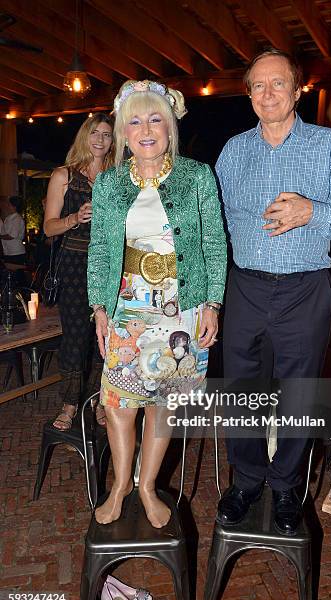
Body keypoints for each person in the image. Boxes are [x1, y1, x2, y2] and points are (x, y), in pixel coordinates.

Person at [215, 48, 331, 534]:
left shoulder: (327, 145)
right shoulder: (234, 151)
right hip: (245, 288)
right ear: (249, 95)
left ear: (298, 90)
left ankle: (286, 488)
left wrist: (311, 212)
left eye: (277, 83)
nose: (266, 93)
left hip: (305, 289)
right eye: (257, 86)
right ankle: (246, 479)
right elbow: (213, 222)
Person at [87, 79, 227, 527]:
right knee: (119, 406)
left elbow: (214, 243)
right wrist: (99, 308)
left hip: (180, 311)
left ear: (168, 126)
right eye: (135, 121)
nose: (145, 129)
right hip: (127, 311)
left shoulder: (197, 177)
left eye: (155, 119)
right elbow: (100, 251)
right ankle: (119, 483)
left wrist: (212, 304)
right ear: (123, 132)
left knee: (163, 408)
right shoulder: (107, 184)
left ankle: (147, 487)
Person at [44, 113, 114, 430]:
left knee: (107, 337)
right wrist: (75, 217)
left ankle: (98, 400)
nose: (100, 138)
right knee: (75, 336)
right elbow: (48, 228)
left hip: (109, 265)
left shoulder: (117, 176)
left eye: (107, 134)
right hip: (74, 264)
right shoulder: (65, 176)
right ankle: (70, 404)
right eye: (94, 132)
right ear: (84, 136)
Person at [0, 196, 26, 265]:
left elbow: (12, 236)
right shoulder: (9, 217)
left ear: (14, 207)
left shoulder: (17, 219)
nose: (7, 206)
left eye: (9, 204)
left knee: (16, 274)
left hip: (16, 252)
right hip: (9, 251)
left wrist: (1, 237)